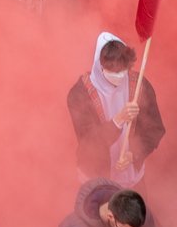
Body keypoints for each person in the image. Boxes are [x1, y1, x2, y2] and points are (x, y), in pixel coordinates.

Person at [67, 33, 165, 186]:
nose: (119, 76)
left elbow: (155, 128)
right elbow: (89, 144)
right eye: (113, 71)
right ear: (100, 67)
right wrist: (118, 120)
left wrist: (134, 154)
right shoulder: (79, 95)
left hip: (132, 177)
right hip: (97, 177)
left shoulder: (139, 85)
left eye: (123, 70)